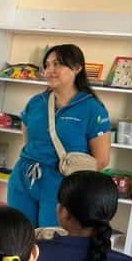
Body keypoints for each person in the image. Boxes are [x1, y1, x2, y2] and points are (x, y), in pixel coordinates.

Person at [7, 44, 112, 227]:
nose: (50, 71)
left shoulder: (92, 108)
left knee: (51, 240)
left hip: (61, 185)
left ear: (77, 68)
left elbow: (101, 161)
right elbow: (28, 140)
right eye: (47, 65)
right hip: (24, 180)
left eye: (57, 64)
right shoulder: (36, 102)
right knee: (18, 237)